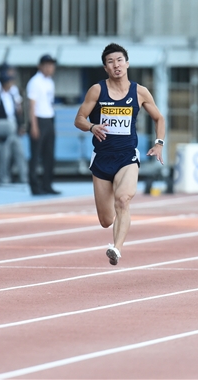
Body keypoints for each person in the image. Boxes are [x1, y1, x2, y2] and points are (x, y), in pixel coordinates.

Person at [74, 43, 166, 265]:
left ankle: (116, 248)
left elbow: (159, 118)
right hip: (103, 159)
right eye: (110, 62)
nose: (116, 65)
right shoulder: (97, 90)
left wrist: (159, 143)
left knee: (123, 200)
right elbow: (79, 119)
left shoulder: (140, 92)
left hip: (127, 157)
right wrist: (92, 126)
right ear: (105, 67)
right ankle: (117, 222)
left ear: (127, 63)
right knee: (106, 220)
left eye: (119, 60)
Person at [0, 72, 28, 185]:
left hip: (14, 130)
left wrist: (20, 125)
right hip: (3, 131)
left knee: (20, 154)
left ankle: (24, 178)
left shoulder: (13, 96)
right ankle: (3, 179)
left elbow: (16, 114)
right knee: (4, 156)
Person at [27, 54, 59, 196]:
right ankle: (34, 186)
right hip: (38, 119)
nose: (50, 68)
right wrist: (34, 125)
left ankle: (47, 184)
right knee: (36, 155)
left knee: (49, 154)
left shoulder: (49, 82)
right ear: (40, 66)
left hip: (49, 118)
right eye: (47, 65)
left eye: (52, 65)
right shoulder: (35, 82)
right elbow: (31, 105)